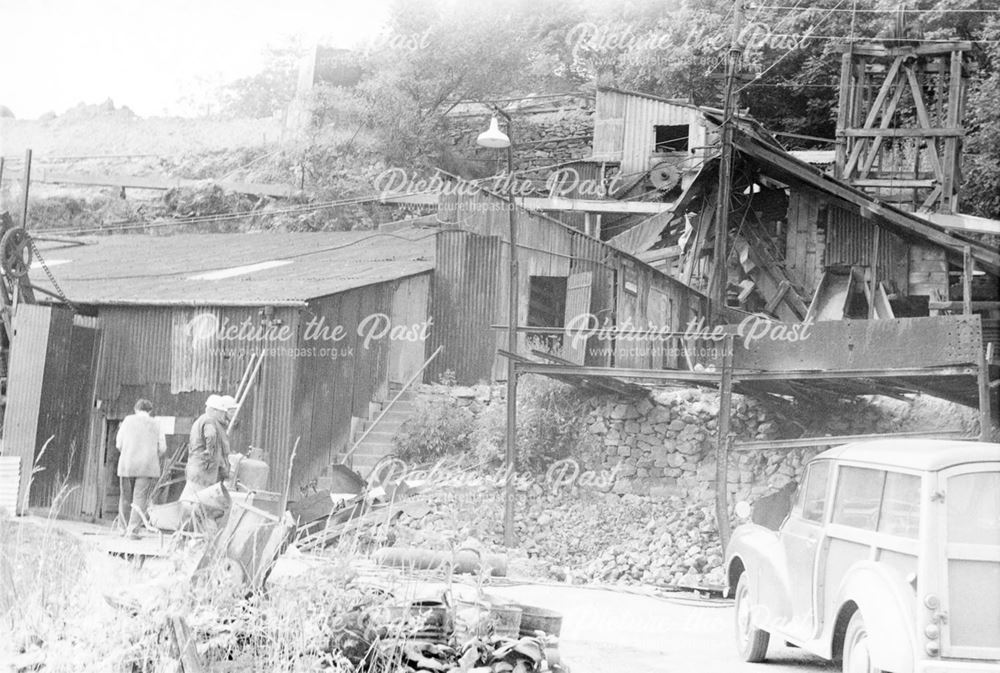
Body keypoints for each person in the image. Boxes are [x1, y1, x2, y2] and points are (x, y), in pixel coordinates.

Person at [116, 398, 166, 538]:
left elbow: (118, 444)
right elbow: (162, 448)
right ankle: (133, 531)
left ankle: (122, 529)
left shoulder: (127, 421)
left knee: (125, 497)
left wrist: (128, 453)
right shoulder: (156, 423)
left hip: (127, 464)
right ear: (150, 411)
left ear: (136, 409)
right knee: (140, 498)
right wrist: (152, 455)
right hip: (146, 466)